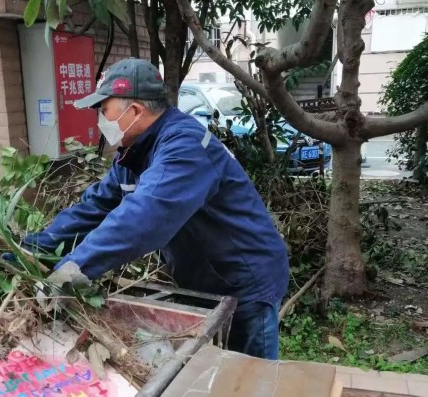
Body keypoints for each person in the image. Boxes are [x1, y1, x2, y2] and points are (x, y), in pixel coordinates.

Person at [20, 58, 289, 359]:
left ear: (134, 111)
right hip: (205, 279)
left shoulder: (184, 148)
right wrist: (31, 248)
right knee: (214, 371)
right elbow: (93, 208)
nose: (99, 119)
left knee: (253, 378)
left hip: (246, 280)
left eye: (104, 109)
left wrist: (75, 268)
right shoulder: (134, 154)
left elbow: (143, 217)